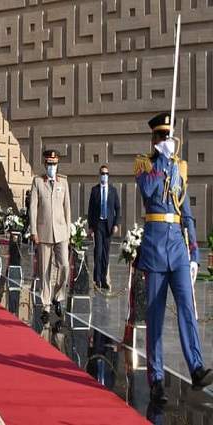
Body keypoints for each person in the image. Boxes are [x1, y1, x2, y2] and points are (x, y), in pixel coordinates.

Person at [135, 112, 212, 403]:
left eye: (169, 136)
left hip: (178, 249)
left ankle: (196, 368)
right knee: (154, 317)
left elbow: (186, 214)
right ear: (154, 139)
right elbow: (149, 190)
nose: (167, 140)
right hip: (155, 249)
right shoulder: (145, 165)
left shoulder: (180, 168)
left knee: (187, 309)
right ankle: (156, 379)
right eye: (162, 136)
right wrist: (163, 161)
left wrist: (194, 252)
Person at [29, 149, 71, 323]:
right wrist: (33, 231)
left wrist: (68, 232)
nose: (52, 167)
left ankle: (58, 296)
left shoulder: (64, 182)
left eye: (54, 164)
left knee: (65, 265)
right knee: (44, 270)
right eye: (49, 164)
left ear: (57, 164)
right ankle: (46, 305)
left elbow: (67, 208)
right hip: (44, 231)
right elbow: (33, 208)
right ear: (45, 164)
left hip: (61, 232)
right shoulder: (38, 182)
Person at [87, 165, 120, 290]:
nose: (104, 175)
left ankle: (104, 279)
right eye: (102, 173)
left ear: (108, 175)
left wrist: (116, 224)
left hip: (109, 225)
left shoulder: (113, 190)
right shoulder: (94, 190)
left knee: (106, 253)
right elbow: (90, 209)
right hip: (98, 224)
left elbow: (117, 208)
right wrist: (90, 226)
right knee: (98, 252)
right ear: (99, 174)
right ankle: (97, 280)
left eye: (106, 173)